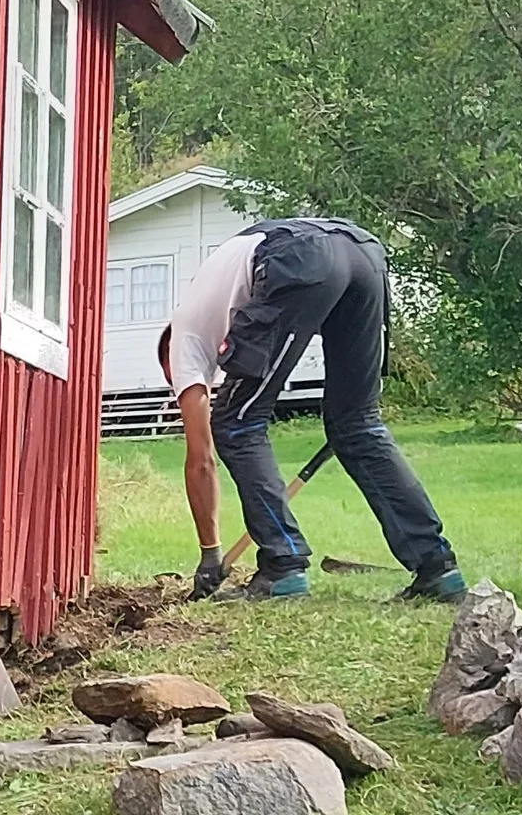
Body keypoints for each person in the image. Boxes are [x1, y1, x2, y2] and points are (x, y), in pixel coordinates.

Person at [158, 213, 464, 601]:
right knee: (357, 425)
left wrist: (209, 555)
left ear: (168, 353)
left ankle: (282, 567)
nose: (183, 388)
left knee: (237, 421)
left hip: (298, 254)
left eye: (176, 382)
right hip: (361, 250)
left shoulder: (183, 338)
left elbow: (201, 460)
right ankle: (437, 569)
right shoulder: (212, 300)